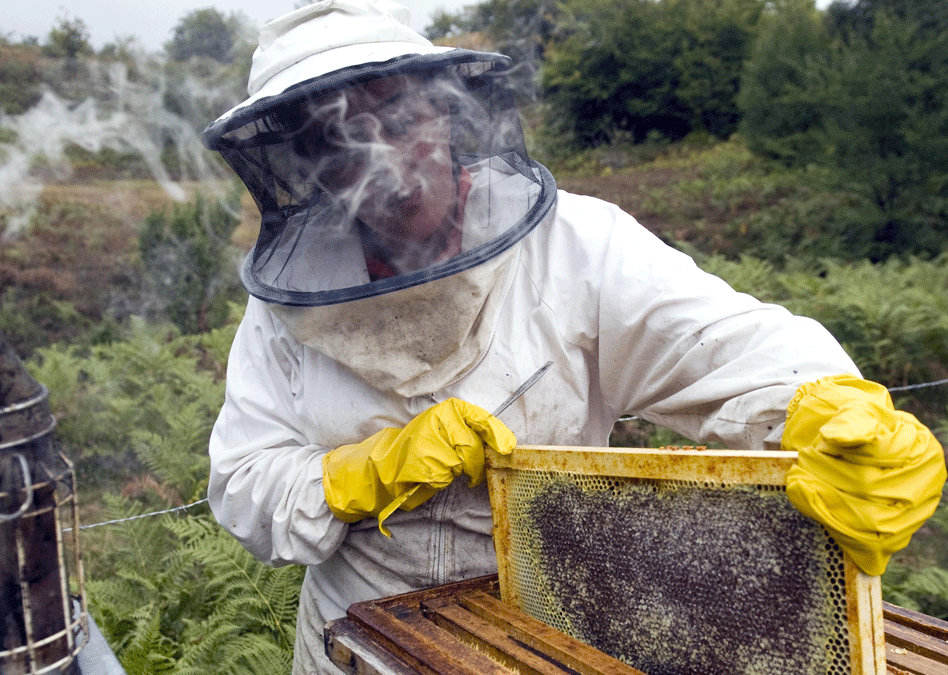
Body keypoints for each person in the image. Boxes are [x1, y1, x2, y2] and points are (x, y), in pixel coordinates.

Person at [201, 1, 947, 673]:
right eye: (336, 143)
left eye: (398, 118)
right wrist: (357, 475)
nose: (385, 162)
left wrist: (827, 409)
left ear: (444, 112)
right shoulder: (285, 307)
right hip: (352, 641)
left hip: (544, 628)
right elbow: (243, 486)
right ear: (304, 168)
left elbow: (724, 343)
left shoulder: (579, 246)